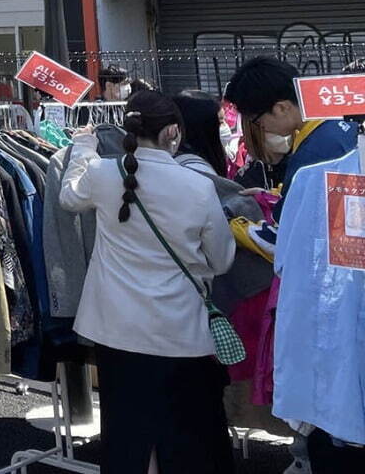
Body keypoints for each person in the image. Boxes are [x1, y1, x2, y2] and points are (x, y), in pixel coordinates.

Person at [59, 90, 236, 473]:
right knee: (186, 437)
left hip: (115, 329)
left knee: (126, 435)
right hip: (180, 331)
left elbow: (69, 199)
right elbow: (221, 260)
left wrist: (84, 148)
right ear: (173, 131)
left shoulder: (103, 173)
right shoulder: (198, 185)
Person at [224, 56, 359, 198]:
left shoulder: (312, 156)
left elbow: (295, 214)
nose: (261, 127)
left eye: (256, 121)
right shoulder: (343, 120)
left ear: (281, 108)